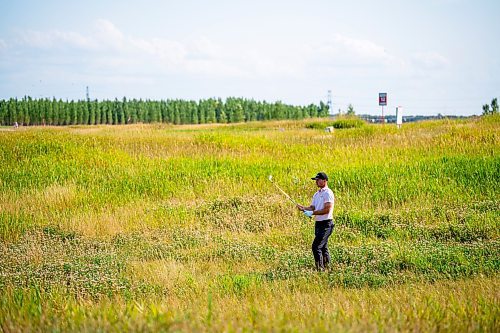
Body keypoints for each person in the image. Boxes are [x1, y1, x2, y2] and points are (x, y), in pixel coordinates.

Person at [296, 172, 335, 271]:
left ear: (324, 180)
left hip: (327, 224)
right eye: (315, 180)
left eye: (318, 180)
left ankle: (320, 269)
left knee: (316, 246)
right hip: (318, 223)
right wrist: (304, 208)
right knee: (323, 247)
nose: (316, 182)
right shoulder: (317, 194)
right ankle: (327, 268)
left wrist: (312, 213)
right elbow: (312, 207)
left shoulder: (328, 193)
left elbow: (327, 209)